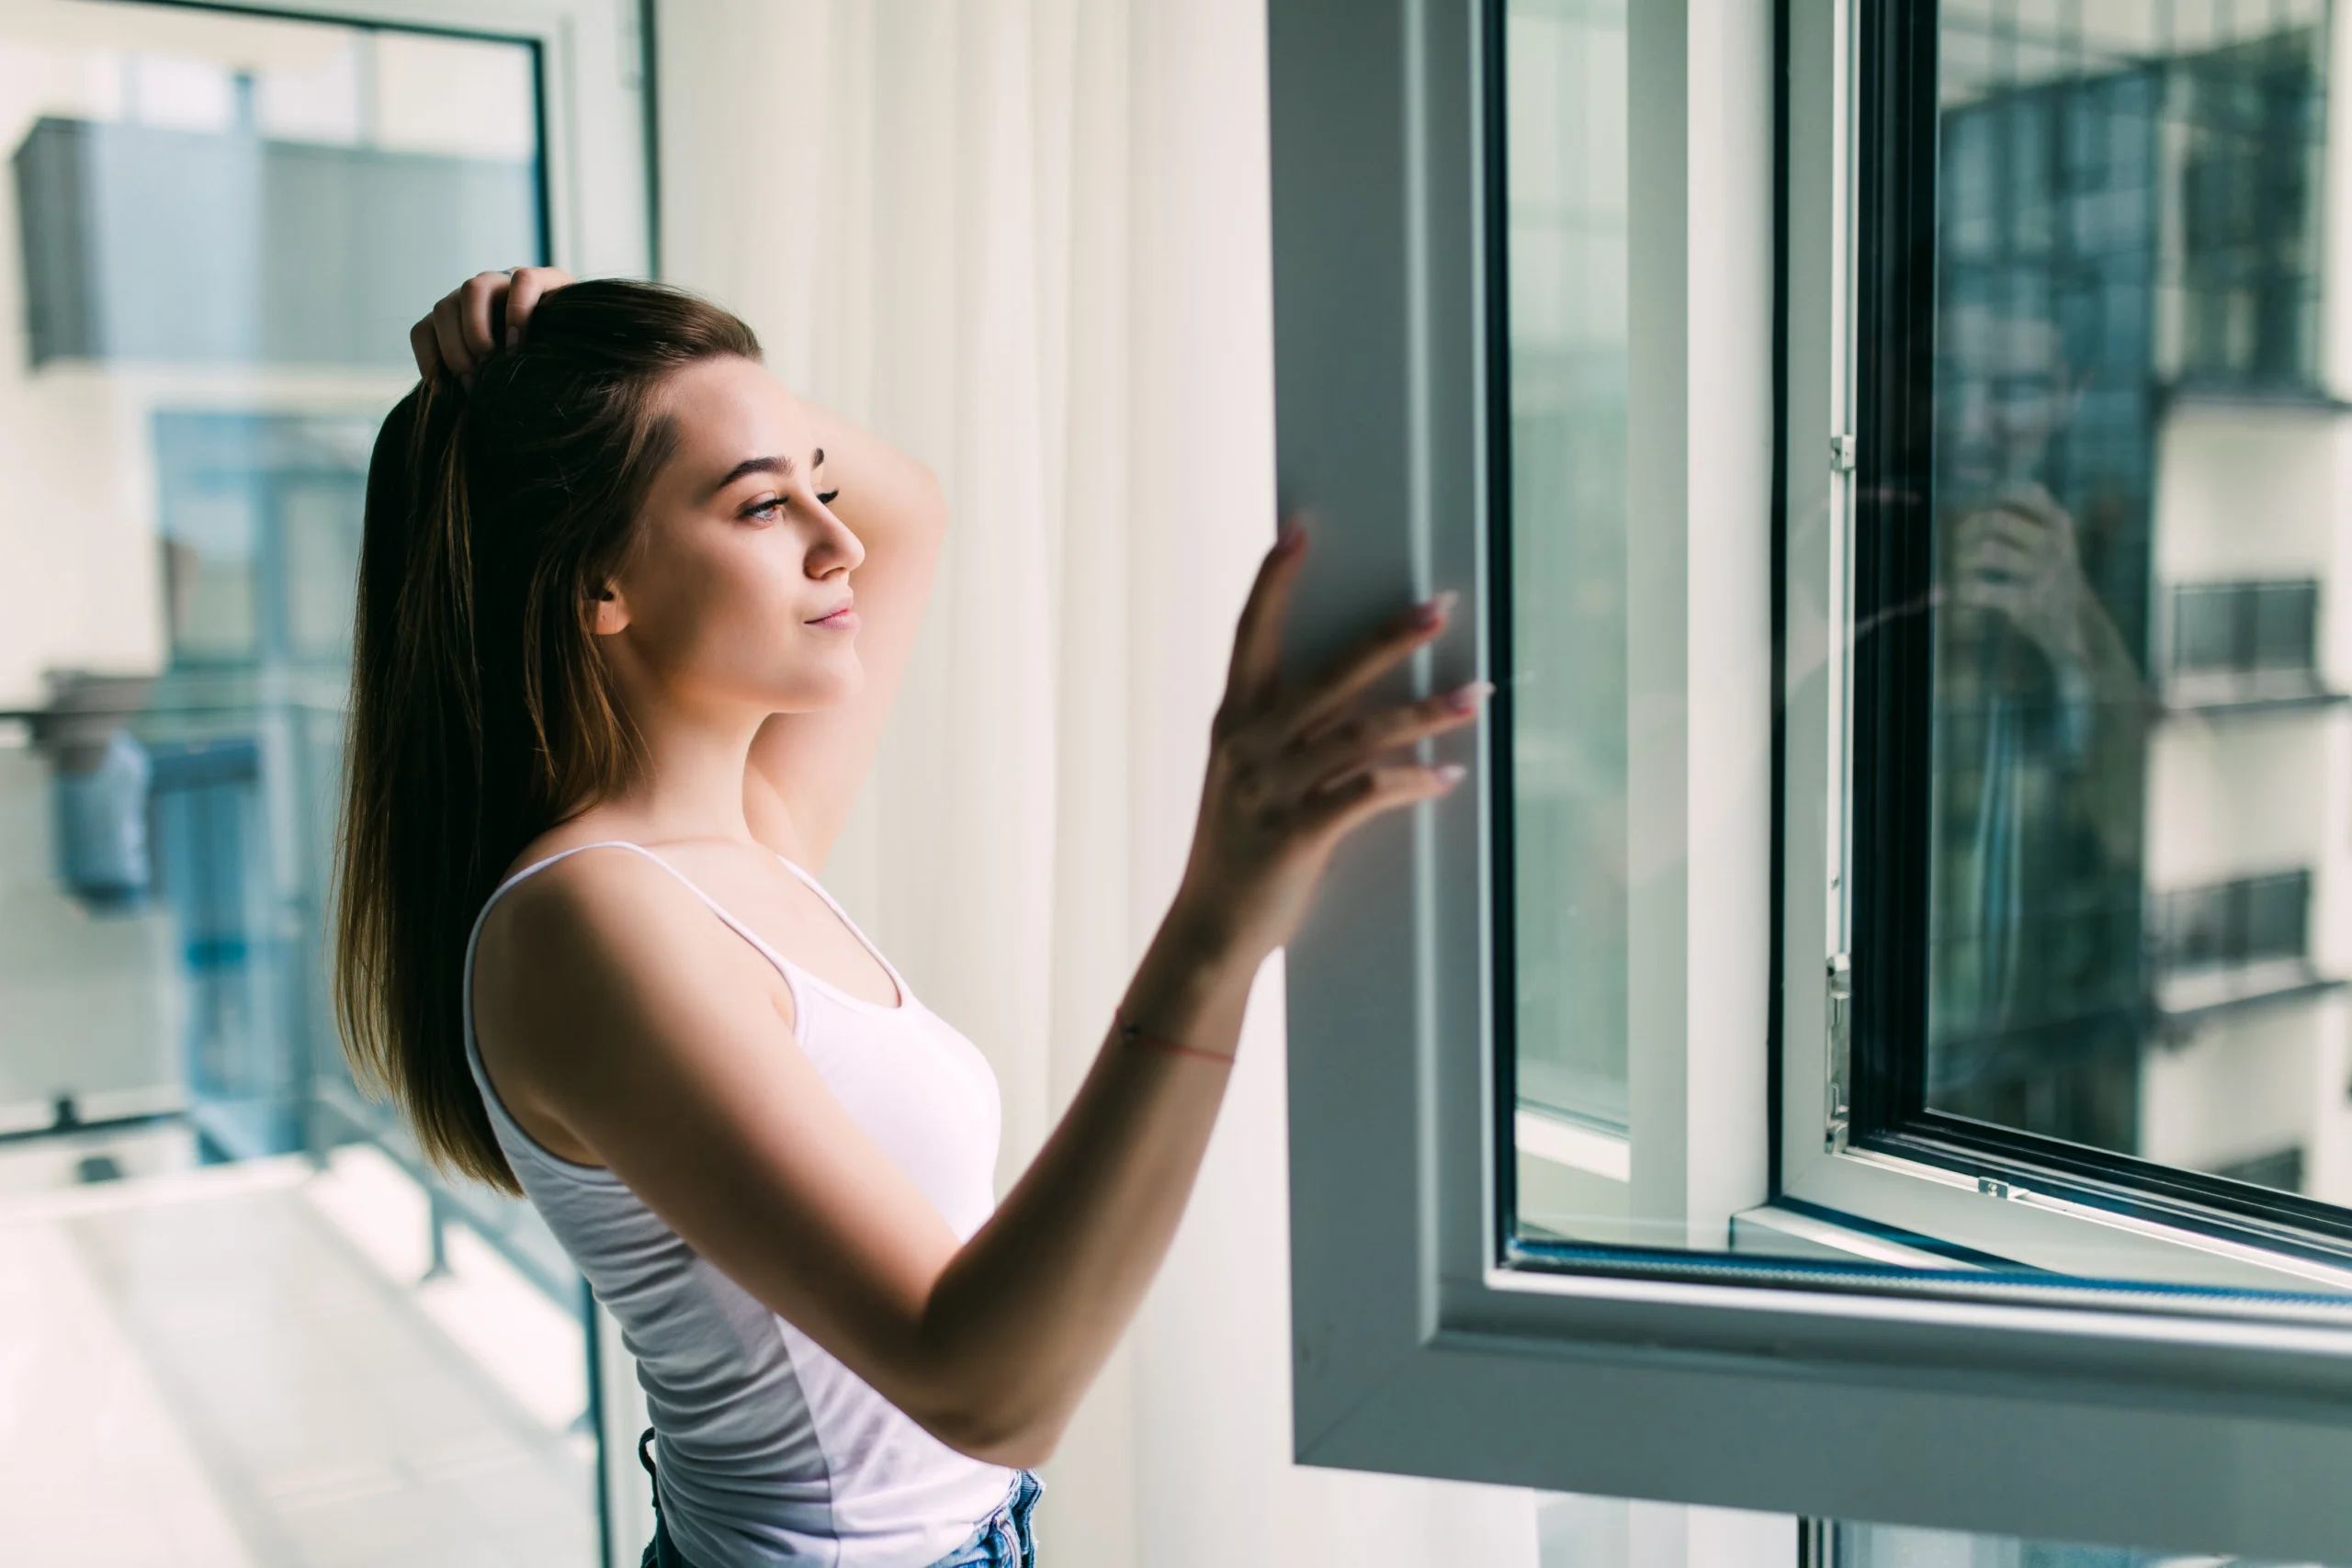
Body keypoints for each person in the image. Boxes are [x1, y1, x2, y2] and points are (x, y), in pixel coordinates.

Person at [334, 267, 1488, 1568]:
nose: (842, 543)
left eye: (814, 484)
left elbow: (912, 510)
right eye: (766, 505)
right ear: (598, 581)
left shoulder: (741, 838)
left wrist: (597, 336)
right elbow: (986, 1386)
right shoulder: (592, 921)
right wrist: (1216, 920)